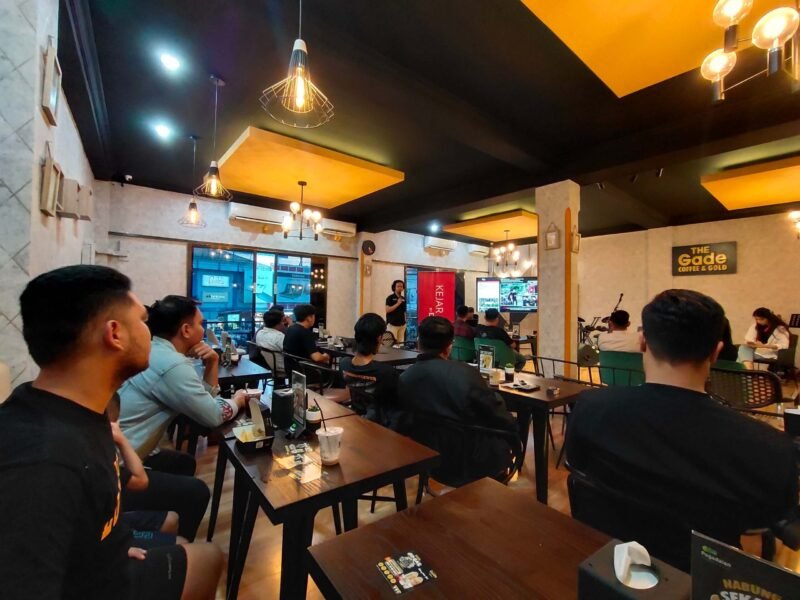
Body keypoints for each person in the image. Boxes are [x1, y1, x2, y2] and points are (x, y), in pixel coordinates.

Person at [0, 265, 221, 600]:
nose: (151, 334)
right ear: (115, 333)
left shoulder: (72, 412)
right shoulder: (42, 461)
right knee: (208, 558)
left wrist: (106, 544)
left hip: (101, 554)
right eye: (143, 321)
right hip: (96, 581)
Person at [565, 289, 798, 569]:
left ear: (643, 343)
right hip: (700, 579)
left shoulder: (589, 408)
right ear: (716, 352)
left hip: (603, 563)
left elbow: (578, 470)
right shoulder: (770, 449)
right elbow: (766, 526)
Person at [119, 295, 248, 465]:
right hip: (120, 462)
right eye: (201, 324)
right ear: (186, 330)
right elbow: (213, 416)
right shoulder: (172, 364)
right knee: (189, 474)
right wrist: (239, 399)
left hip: (123, 448)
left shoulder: (155, 349)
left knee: (185, 463)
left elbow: (204, 400)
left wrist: (212, 362)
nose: (203, 330)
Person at [398, 316, 516, 486]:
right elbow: (496, 414)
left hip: (427, 460)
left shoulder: (404, 378)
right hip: (472, 462)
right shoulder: (466, 374)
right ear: (449, 347)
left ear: (418, 344)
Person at [339, 313, 403, 428]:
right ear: (379, 338)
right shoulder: (387, 373)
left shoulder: (344, 364)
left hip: (354, 422)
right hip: (379, 428)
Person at [256, 308, 287, 375]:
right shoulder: (279, 336)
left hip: (270, 365)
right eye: (283, 321)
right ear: (278, 323)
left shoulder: (260, 333)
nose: (285, 323)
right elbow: (292, 353)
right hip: (284, 367)